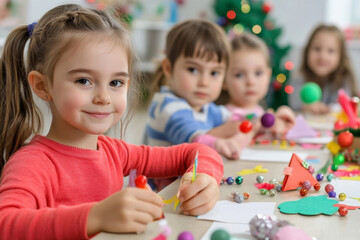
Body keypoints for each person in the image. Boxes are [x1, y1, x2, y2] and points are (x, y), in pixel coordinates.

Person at [0, 4, 223, 239]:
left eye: (115, 83)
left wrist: (205, 177)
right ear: (42, 85)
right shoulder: (34, 164)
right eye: (84, 80)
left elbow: (198, 151)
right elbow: (5, 224)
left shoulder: (116, 153)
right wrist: (95, 217)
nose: (103, 98)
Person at [146, 19, 252, 163]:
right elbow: (195, 139)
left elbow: (238, 117)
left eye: (214, 73)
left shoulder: (206, 108)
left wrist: (266, 121)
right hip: (164, 186)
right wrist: (219, 143)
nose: (204, 82)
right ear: (168, 69)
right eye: (193, 70)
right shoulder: (168, 108)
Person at [218, 32, 295, 138]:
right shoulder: (221, 116)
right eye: (239, 75)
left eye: (258, 73)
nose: (250, 82)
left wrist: (282, 119)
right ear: (224, 81)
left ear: (268, 76)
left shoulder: (263, 114)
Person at [290, 24, 357, 115]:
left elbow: (345, 105)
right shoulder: (299, 77)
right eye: (317, 49)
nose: (323, 56)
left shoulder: (345, 78)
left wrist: (329, 109)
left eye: (331, 51)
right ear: (307, 51)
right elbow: (294, 104)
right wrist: (306, 106)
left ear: (341, 56)